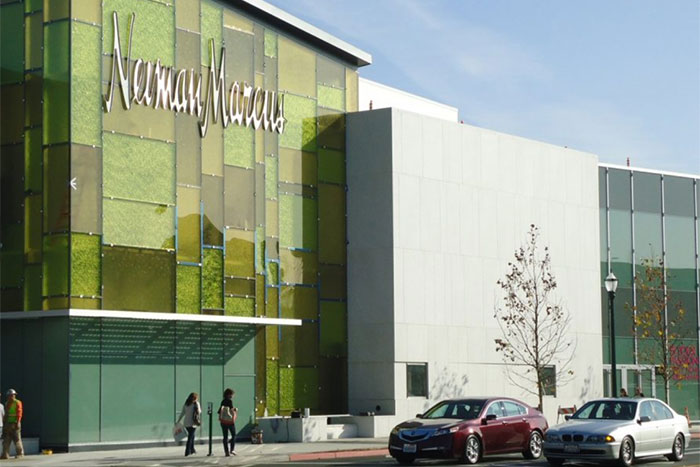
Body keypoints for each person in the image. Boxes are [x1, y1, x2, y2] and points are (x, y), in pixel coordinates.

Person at [177, 393, 201, 457]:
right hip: (193, 423)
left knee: (192, 436)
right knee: (190, 437)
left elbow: (182, 413)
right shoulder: (196, 404)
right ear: (195, 398)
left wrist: (178, 421)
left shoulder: (186, 404)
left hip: (186, 423)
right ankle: (187, 451)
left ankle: (192, 450)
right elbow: (199, 411)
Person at [1, 389, 23, 459]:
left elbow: (19, 413)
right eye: (9, 396)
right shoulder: (7, 403)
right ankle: (5, 454)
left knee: (17, 439)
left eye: (12, 395)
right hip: (8, 424)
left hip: (15, 423)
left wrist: (18, 422)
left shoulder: (17, 402)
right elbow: (6, 414)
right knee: (6, 439)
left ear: (14, 395)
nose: (11, 397)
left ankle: (20, 454)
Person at [218, 388, 238, 456]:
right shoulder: (230, 401)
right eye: (232, 394)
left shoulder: (223, 401)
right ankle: (232, 449)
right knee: (234, 435)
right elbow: (231, 410)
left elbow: (220, 410)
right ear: (229, 394)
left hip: (223, 421)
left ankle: (226, 451)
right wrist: (235, 410)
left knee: (225, 436)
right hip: (230, 421)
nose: (232, 396)